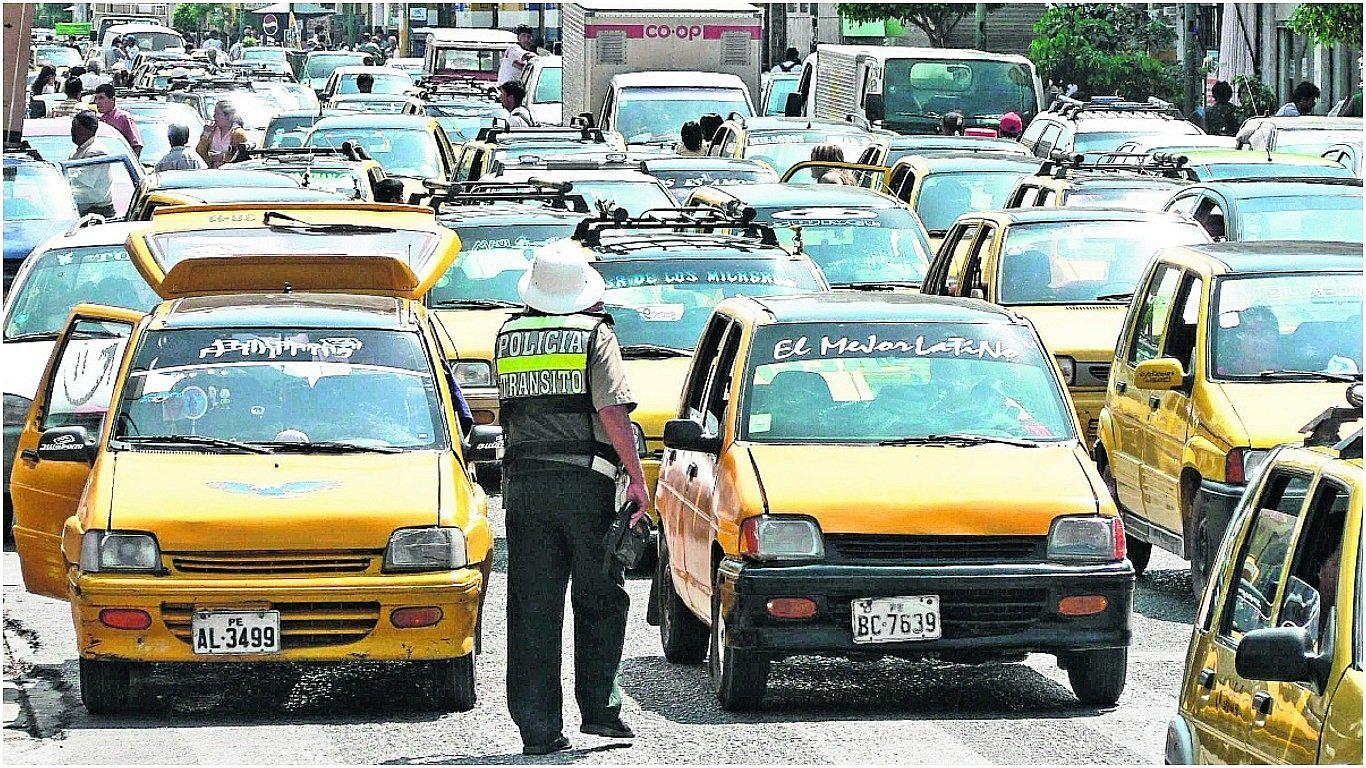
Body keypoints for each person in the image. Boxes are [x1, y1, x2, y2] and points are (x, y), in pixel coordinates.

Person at [495, 245, 648, 756]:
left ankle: (538, 729)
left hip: (525, 488)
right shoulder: (593, 335)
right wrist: (636, 475)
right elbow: (611, 411)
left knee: (532, 607)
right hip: (585, 486)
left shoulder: (508, 335)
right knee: (600, 596)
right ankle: (600, 710)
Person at [68, 111, 115, 218]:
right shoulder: (77, 152)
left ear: (87, 130)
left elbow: (79, 180)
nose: (72, 131)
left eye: (76, 127)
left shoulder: (96, 151)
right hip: (79, 210)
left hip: (97, 212)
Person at [197, 98, 251, 168]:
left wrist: (222, 157)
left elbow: (240, 157)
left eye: (217, 114)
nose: (214, 116)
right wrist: (205, 134)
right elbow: (200, 152)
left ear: (228, 117)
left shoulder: (238, 134)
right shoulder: (212, 131)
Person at [92, 84, 143, 159]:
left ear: (112, 99)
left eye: (101, 98)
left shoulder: (123, 117)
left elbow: (136, 145)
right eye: (96, 98)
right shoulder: (98, 119)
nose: (97, 102)